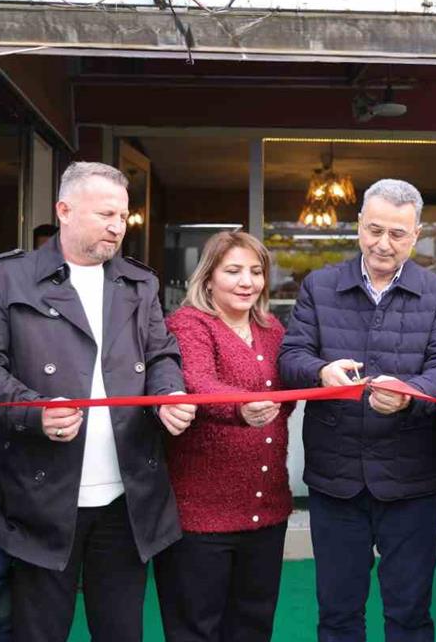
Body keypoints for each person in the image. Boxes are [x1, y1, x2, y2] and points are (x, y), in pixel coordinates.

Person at [0, 162, 191, 642]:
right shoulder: (8, 277)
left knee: (121, 632)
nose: (118, 226)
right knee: (39, 632)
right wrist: (35, 410)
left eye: (123, 216)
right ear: (64, 210)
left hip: (126, 496)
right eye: (106, 214)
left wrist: (168, 395)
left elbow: (162, 355)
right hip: (41, 495)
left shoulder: (140, 282)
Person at [279, 178, 436, 642]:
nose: (383, 244)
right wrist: (320, 372)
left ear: (416, 235)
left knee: (410, 614)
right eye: (374, 230)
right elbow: (290, 357)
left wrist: (410, 393)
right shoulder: (320, 286)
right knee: (338, 614)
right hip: (335, 477)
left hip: (411, 479)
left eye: (397, 234)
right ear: (359, 224)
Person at [158, 231, 293, 642]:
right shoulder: (188, 323)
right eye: (233, 271)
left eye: (256, 271)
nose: (247, 282)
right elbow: (196, 380)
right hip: (201, 516)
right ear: (208, 277)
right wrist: (241, 406)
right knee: (196, 629)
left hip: (266, 510)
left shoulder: (272, 328)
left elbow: (288, 392)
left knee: (253, 627)